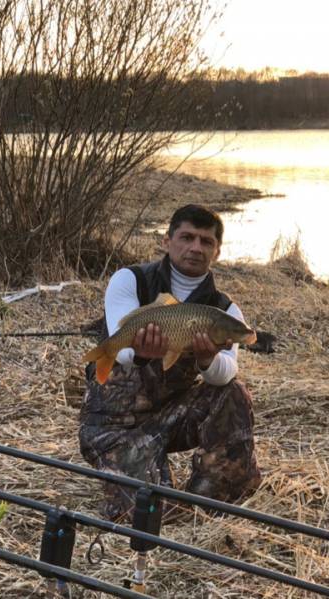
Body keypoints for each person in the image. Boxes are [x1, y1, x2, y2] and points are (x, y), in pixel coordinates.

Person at [79, 204, 261, 520]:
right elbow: (121, 349)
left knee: (235, 392)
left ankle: (211, 494)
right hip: (113, 427)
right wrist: (142, 352)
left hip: (171, 417)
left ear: (217, 252)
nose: (195, 248)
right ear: (167, 241)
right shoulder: (129, 280)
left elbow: (227, 372)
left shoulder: (225, 311)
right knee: (148, 515)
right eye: (187, 237)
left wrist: (208, 359)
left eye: (206, 241)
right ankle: (133, 463)